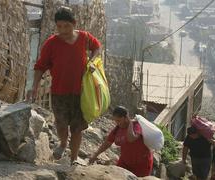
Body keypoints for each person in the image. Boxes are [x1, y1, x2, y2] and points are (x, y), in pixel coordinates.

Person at [27, 6, 101, 165]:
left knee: (76, 128)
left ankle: (74, 159)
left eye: (66, 26)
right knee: (61, 124)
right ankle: (62, 143)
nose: (63, 30)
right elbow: (40, 66)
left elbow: (97, 47)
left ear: (74, 24)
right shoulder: (51, 44)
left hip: (80, 93)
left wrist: (92, 60)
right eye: (59, 26)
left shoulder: (84, 38)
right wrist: (34, 86)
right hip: (59, 92)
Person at [89, 106, 153, 177]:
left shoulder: (136, 125)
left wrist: (130, 123)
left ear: (126, 118)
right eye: (115, 121)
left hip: (141, 165)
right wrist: (95, 155)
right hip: (125, 162)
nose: (117, 123)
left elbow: (131, 138)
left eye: (119, 120)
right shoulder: (117, 129)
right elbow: (107, 143)